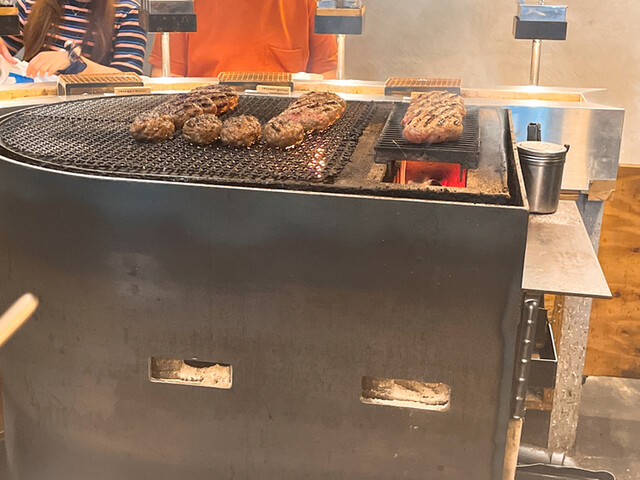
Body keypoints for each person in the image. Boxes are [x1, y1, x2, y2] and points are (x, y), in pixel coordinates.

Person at [148, 0, 337, 78]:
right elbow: (166, 76)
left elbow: (326, 74)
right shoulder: (183, 3)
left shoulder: (307, 3)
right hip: (202, 122)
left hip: (286, 125)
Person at [0, 0, 146, 77]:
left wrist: (73, 63)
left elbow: (131, 79)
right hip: (31, 107)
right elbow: (5, 51)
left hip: (97, 111)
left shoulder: (128, 11)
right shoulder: (29, 4)